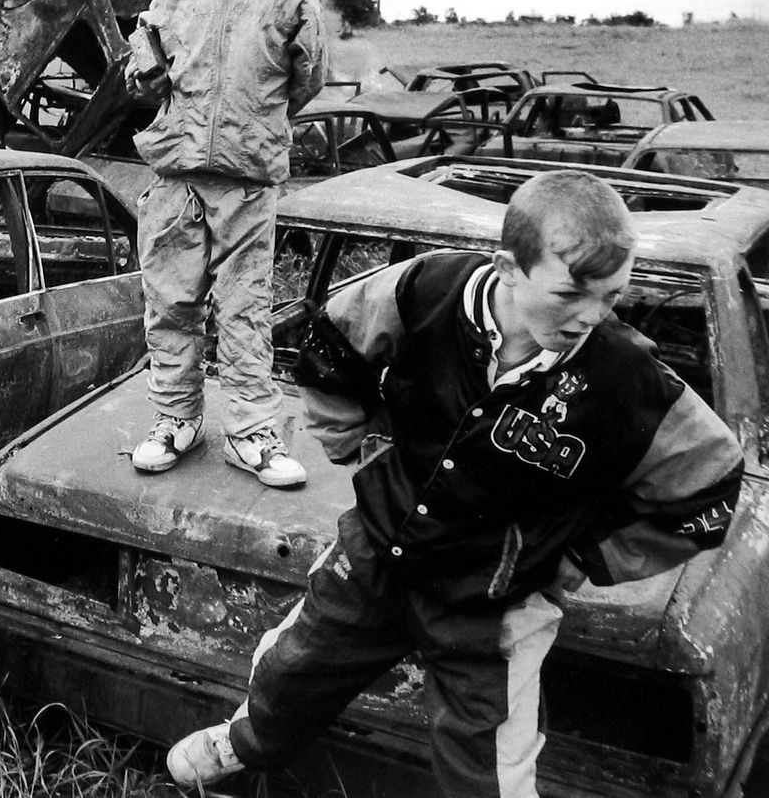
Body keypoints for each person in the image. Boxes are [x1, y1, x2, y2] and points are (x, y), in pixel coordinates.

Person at [166, 170, 744, 797]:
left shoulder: (628, 380)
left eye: (611, 297)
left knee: (489, 771)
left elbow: (709, 485)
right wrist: (354, 448)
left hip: (495, 603)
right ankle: (246, 744)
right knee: (292, 670)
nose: (590, 316)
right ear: (507, 266)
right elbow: (334, 341)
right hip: (375, 555)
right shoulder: (427, 289)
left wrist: (583, 559)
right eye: (571, 293)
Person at [126, 0, 327, 486]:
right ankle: (176, 419)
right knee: (170, 305)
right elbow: (148, 77)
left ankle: (250, 435)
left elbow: (306, 81)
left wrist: (248, 130)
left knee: (244, 310)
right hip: (176, 180)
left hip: (246, 184)